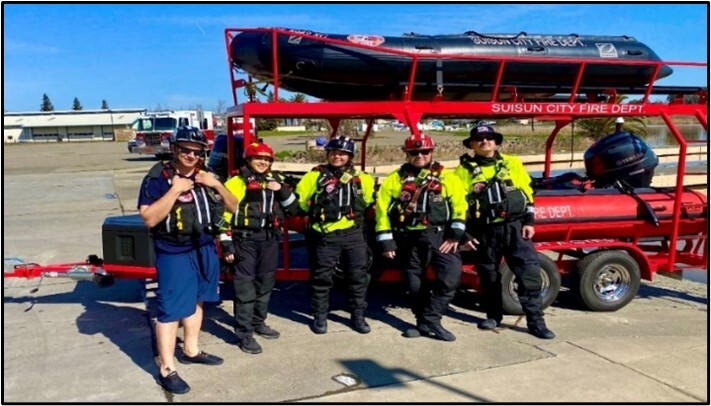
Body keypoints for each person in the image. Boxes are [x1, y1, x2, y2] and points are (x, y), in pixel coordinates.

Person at [138, 126, 238, 394]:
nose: (191, 156)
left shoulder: (207, 177)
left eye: (197, 151)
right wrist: (174, 192)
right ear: (174, 149)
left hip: (205, 247)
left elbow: (233, 206)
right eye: (185, 150)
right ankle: (167, 368)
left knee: (198, 299)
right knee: (170, 310)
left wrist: (216, 183)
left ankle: (191, 349)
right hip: (174, 251)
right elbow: (148, 219)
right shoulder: (158, 178)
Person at [455, 124, 555, 339]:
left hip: (515, 227)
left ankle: (536, 321)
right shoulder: (463, 171)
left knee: (528, 274)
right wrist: (464, 234)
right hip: (485, 231)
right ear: (472, 144)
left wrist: (529, 221)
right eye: (479, 139)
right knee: (488, 276)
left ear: (496, 141)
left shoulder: (512, 163)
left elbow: (527, 193)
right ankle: (493, 315)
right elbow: (457, 204)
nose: (485, 142)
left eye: (489, 138)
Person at [374, 133, 475, 342]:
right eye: (414, 152)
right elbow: (382, 211)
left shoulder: (447, 178)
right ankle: (421, 322)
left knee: (451, 277)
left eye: (424, 151)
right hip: (408, 239)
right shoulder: (395, 179)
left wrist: (456, 235)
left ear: (431, 152)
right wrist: (386, 241)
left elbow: (460, 207)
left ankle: (431, 320)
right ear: (407, 154)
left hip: (440, 237)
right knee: (414, 285)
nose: (419, 155)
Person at [219, 142, 300, 354]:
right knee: (245, 287)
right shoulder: (237, 182)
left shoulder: (276, 181)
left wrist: (280, 190)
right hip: (244, 240)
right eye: (258, 158)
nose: (263, 162)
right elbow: (223, 215)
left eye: (267, 159)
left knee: (266, 283)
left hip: (269, 240)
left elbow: (294, 209)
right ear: (248, 160)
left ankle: (258, 322)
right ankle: (244, 333)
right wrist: (226, 245)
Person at [295, 136, 376, 335]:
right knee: (321, 278)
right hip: (325, 237)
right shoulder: (314, 177)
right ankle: (320, 317)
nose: (337, 156)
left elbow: (368, 203)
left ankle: (358, 316)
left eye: (342, 153)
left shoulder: (362, 178)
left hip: (353, 235)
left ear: (350, 156)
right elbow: (301, 202)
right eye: (333, 152)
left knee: (358, 277)